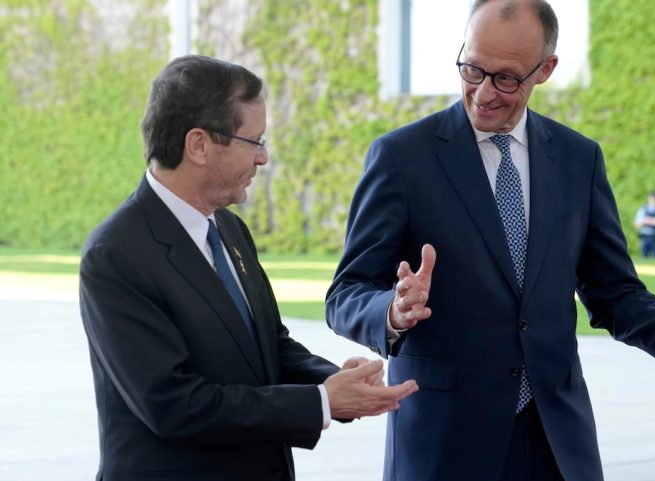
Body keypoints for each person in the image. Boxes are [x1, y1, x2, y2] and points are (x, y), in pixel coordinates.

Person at [325, 1, 655, 480]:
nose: (483, 93)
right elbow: (346, 294)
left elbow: (613, 291)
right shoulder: (400, 157)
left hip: (557, 442)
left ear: (545, 70)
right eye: (472, 68)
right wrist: (392, 313)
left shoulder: (579, 159)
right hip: (446, 442)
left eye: (506, 78)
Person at [78, 55, 418, 481]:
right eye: (253, 142)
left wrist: (337, 383)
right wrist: (321, 402)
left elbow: (269, 347)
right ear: (198, 144)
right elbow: (173, 406)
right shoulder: (115, 254)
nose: (263, 158)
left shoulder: (230, 230)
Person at [634, 190, 655, 257]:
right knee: (644, 256)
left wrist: (647, 220)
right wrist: (653, 221)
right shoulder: (643, 209)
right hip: (645, 236)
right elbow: (637, 223)